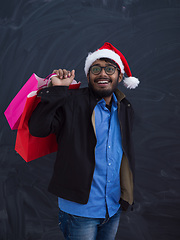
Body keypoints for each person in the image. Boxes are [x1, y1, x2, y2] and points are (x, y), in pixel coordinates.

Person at [29, 42, 139, 240]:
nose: (103, 74)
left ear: (120, 76)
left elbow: (123, 155)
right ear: (88, 76)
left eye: (110, 69)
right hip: (79, 210)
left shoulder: (124, 108)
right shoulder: (70, 100)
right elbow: (38, 129)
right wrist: (57, 91)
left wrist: (125, 194)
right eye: (96, 69)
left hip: (112, 207)